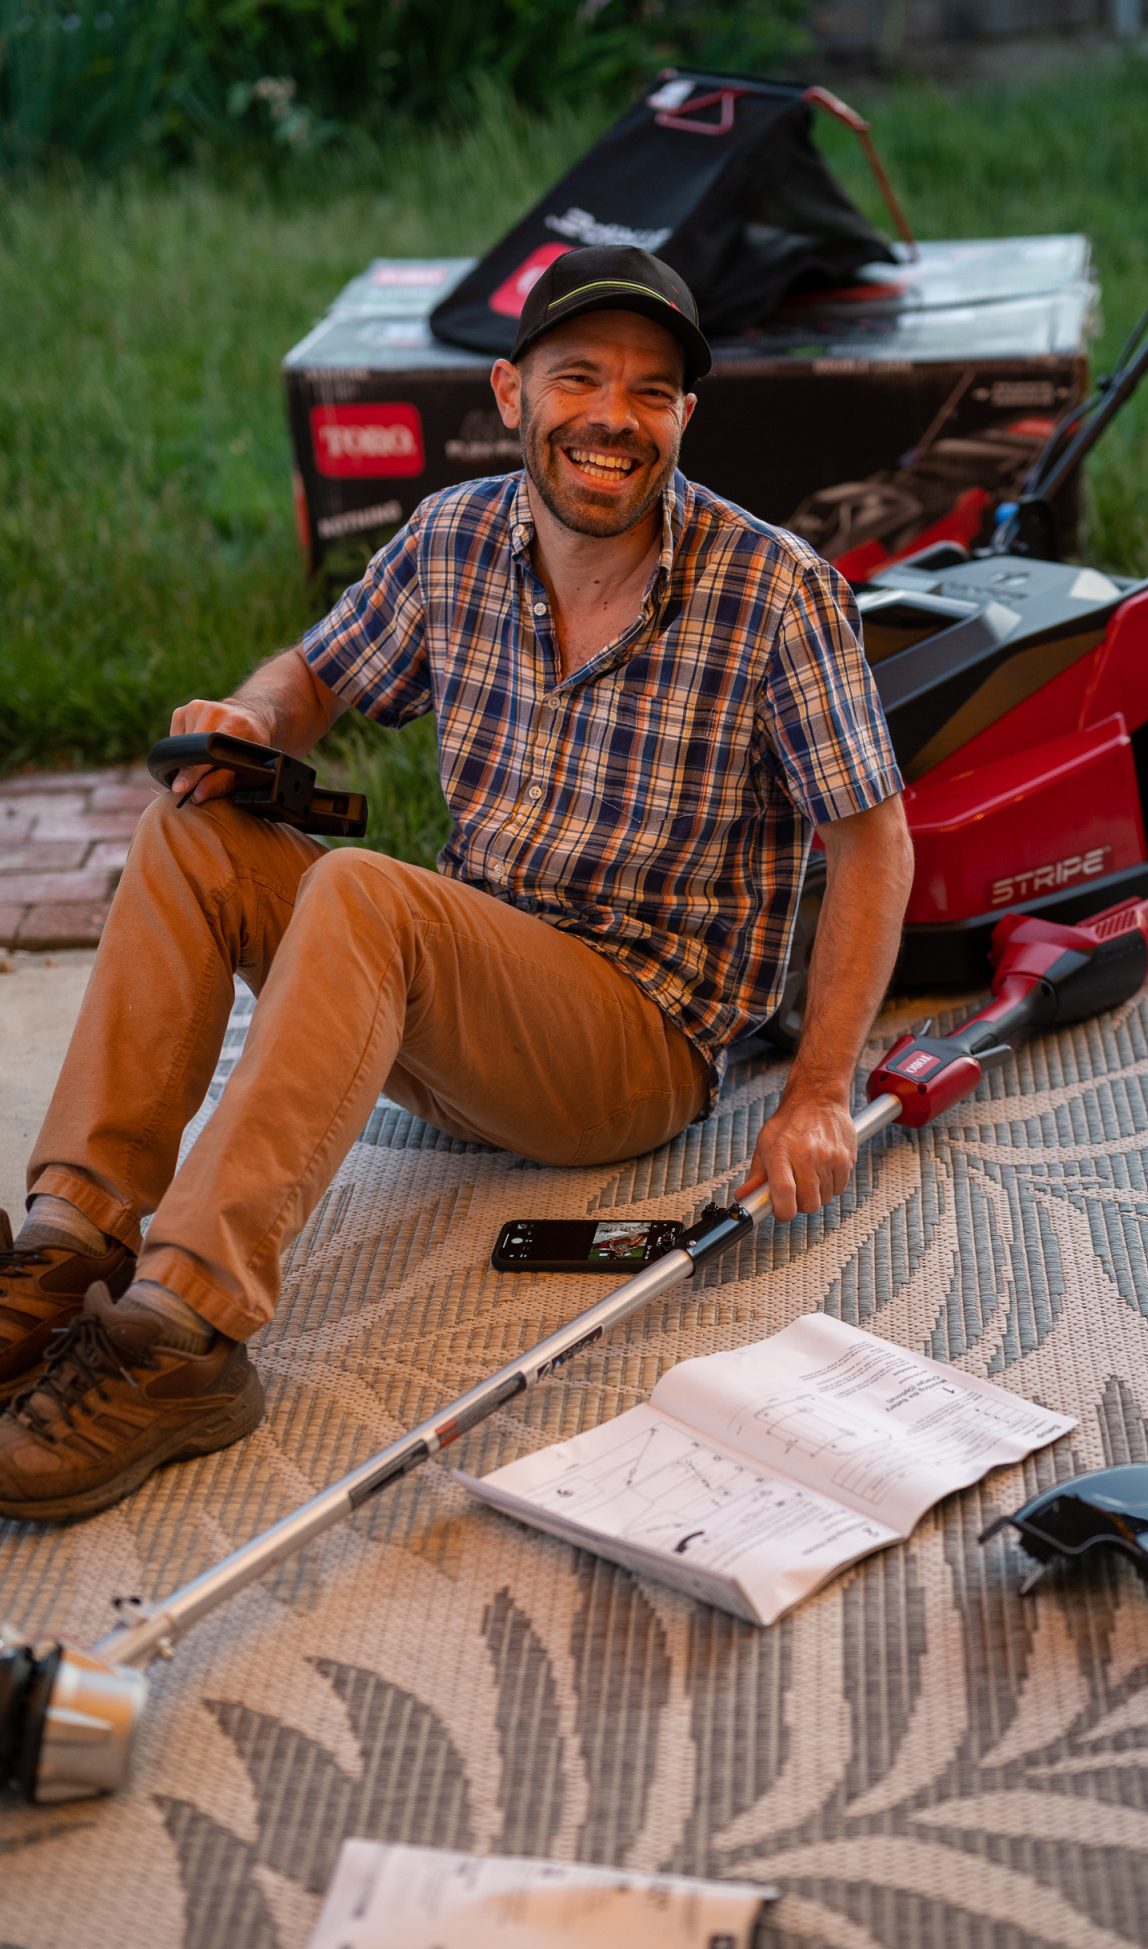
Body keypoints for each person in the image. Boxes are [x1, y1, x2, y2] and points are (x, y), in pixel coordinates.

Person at [0, 246, 912, 1523]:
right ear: (511, 392)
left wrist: (821, 1091)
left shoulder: (775, 588)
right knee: (195, 819)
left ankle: (181, 1330)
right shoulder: (454, 538)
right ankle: (63, 1247)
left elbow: (873, 837)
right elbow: (313, 679)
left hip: (634, 1041)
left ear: (685, 420)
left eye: (652, 392)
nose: (613, 416)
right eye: (579, 377)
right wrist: (252, 722)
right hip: (459, 1009)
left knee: (370, 894)